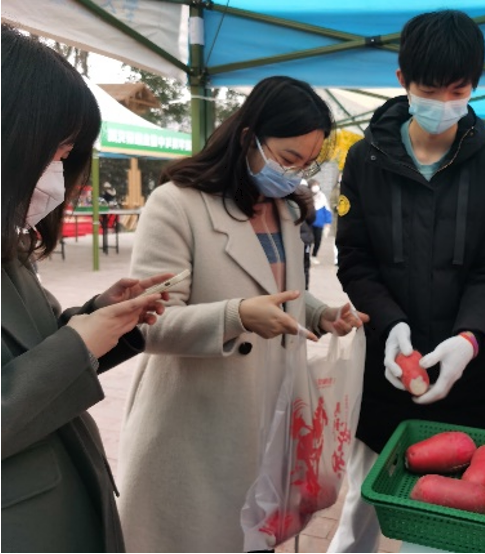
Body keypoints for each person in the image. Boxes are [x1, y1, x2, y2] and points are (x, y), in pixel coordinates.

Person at [115, 76, 369, 553]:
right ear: (249, 136)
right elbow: (151, 322)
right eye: (288, 158)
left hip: (267, 417)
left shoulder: (285, 211)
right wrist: (238, 317)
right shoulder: (177, 205)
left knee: (250, 535)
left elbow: (279, 291)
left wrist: (320, 314)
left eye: (306, 165)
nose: (294, 174)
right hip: (194, 427)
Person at [331, 10, 485, 552]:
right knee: (364, 504)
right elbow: (355, 258)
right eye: (429, 89)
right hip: (387, 367)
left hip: (466, 375)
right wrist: (389, 323)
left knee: (455, 517)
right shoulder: (365, 159)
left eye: (457, 90)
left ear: (475, 86)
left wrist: (471, 338)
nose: (442, 103)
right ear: (402, 80)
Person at [1, 25, 170, 552]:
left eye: (66, 156)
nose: (59, 175)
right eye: (54, 154)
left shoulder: (11, 248)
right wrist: (80, 342)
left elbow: (33, 347)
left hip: (68, 498)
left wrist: (101, 317)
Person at [298, 180, 316, 288]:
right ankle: (305, 289)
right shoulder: (308, 195)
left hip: (293, 237)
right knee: (305, 266)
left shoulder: (288, 192)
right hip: (305, 238)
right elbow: (312, 218)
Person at [310, 178, 332, 263]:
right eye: (314, 185)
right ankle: (306, 256)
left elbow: (327, 210)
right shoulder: (308, 196)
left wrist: (328, 222)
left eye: (317, 185)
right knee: (308, 241)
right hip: (309, 223)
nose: (316, 187)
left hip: (319, 223)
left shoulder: (322, 197)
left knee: (317, 240)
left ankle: (314, 255)